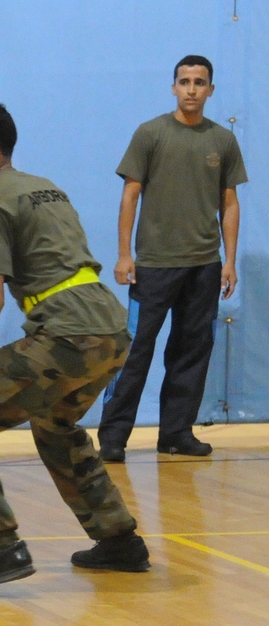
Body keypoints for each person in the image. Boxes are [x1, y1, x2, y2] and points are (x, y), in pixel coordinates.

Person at [0, 103, 149, 589]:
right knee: (55, 423)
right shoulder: (47, 188)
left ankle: (2, 546)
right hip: (111, 330)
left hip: (68, 334)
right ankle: (119, 540)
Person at [97, 55, 248, 462]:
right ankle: (112, 437)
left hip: (204, 266)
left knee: (191, 350)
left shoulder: (223, 141)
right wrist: (124, 255)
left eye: (200, 82)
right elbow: (130, 195)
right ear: (173, 87)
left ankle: (177, 433)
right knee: (135, 351)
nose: (192, 89)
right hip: (153, 266)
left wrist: (229, 261)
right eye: (184, 81)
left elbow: (229, 203)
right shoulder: (150, 134)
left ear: (211, 90)